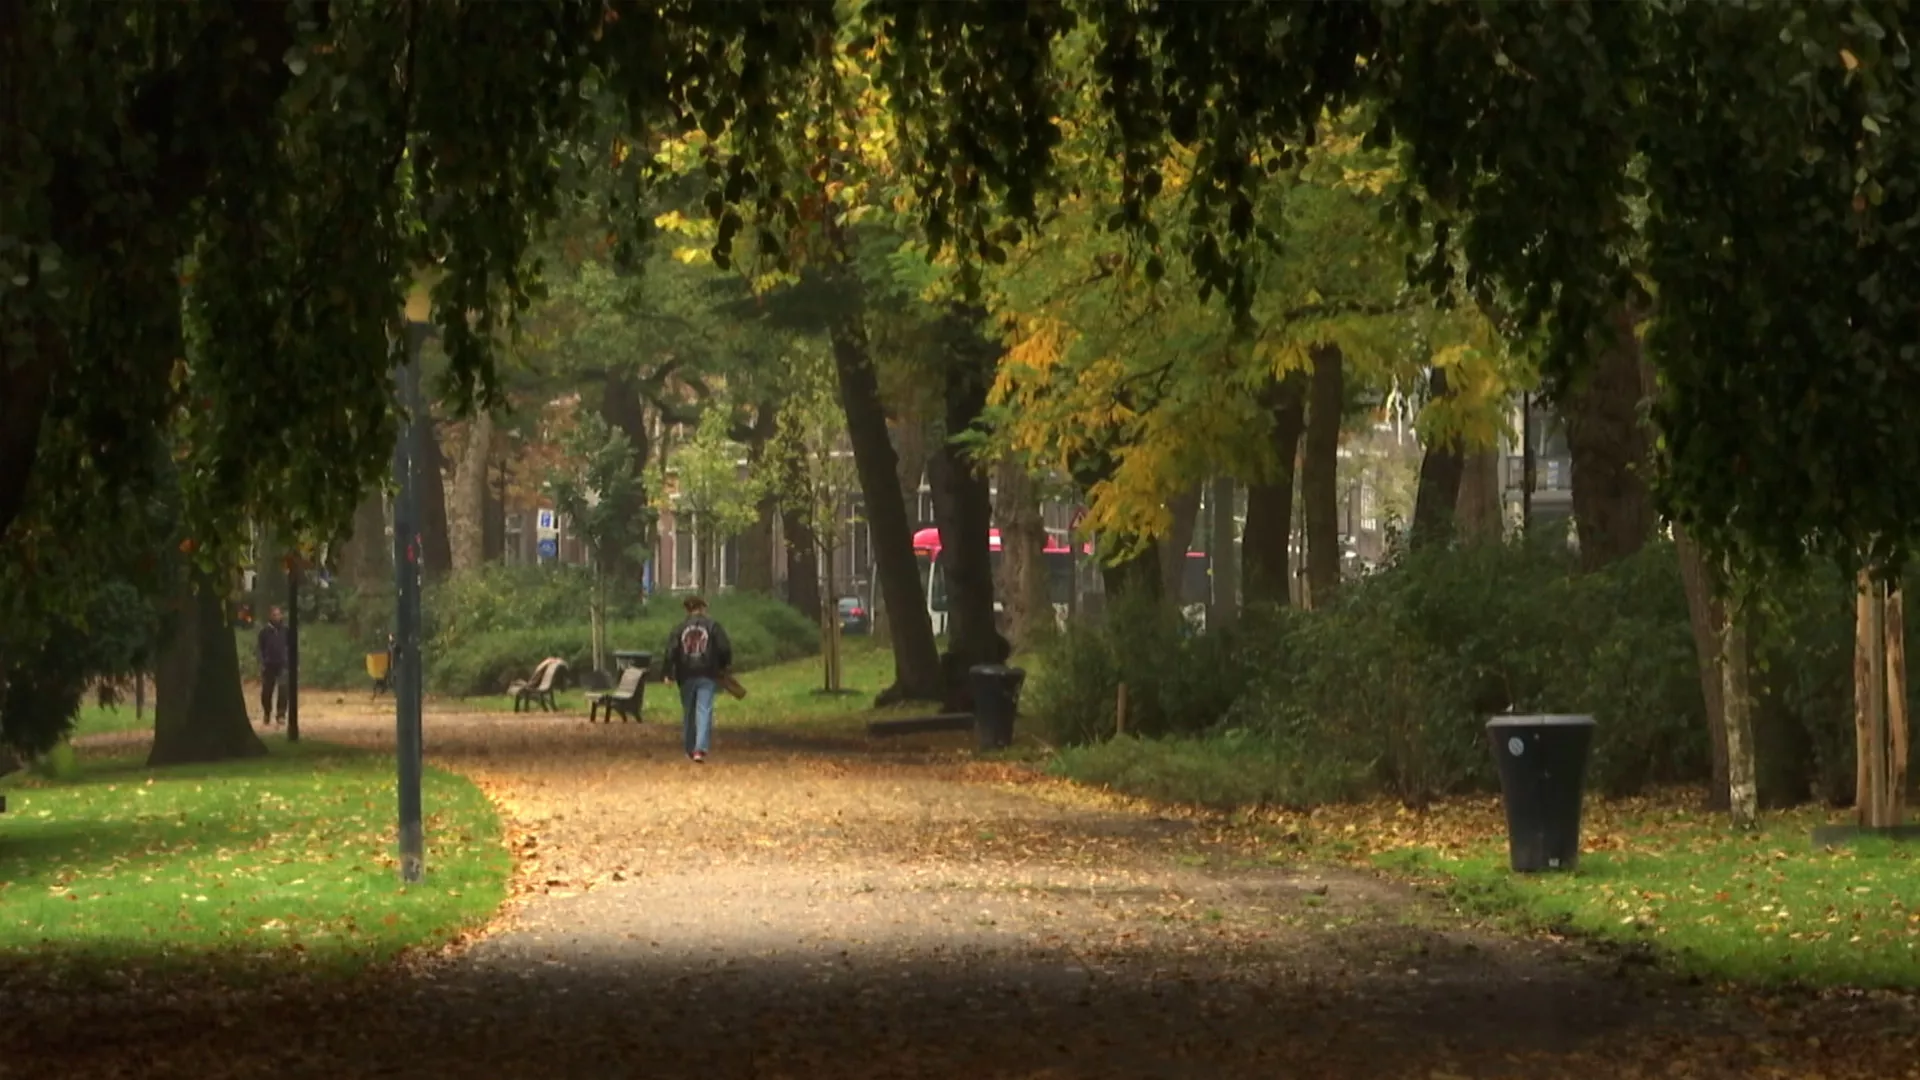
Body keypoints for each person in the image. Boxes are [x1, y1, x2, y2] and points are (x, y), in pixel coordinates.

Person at [662, 595, 731, 763]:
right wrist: (723, 666)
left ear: (687, 609)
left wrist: (667, 673)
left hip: (685, 674)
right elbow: (724, 648)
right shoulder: (713, 626)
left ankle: (689, 748)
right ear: (702, 608)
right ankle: (700, 749)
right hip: (707, 673)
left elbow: (671, 651)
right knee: (704, 709)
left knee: (689, 712)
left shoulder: (679, 628)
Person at [257, 606, 290, 726]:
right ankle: (267, 712)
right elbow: (260, 649)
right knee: (267, 691)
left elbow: (290, 646)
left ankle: (281, 714)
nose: (277, 617)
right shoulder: (264, 632)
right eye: (274, 615)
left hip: (282, 664)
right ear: (270, 616)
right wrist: (262, 662)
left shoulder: (285, 630)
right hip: (269, 665)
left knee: (283, 688)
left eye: (278, 614)